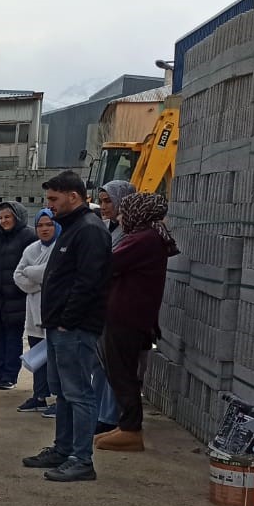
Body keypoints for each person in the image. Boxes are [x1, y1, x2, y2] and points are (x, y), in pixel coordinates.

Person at [23, 170, 111, 483]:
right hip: (60, 327)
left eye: (53, 199)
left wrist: (67, 321)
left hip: (73, 329)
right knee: (62, 392)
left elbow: (89, 283)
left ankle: (81, 459)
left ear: (73, 196)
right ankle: (63, 449)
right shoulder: (72, 229)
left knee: (79, 394)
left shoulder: (89, 230)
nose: (50, 206)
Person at [97, 193, 177, 453]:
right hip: (131, 315)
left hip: (126, 316)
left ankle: (131, 430)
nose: (121, 216)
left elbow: (108, 264)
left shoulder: (143, 239)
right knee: (121, 373)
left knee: (122, 374)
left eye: (125, 210)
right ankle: (126, 425)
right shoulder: (151, 236)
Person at [93, 179, 138, 433]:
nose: (103, 206)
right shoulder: (108, 229)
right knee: (98, 364)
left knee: (113, 365)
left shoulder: (128, 234)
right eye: (101, 201)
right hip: (102, 304)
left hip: (119, 307)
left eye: (108, 200)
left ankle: (110, 416)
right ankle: (100, 411)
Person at [0, 201, 37, 391]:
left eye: (8, 217)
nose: (4, 221)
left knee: (13, 337)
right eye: (1, 218)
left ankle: (9, 376)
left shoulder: (28, 236)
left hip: (17, 297)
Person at [13, 208, 59, 415]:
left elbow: (55, 273)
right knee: (37, 356)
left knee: (57, 359)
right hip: (34, 311)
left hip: (56, 312)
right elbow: (18, 276)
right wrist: (41, 282)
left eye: (49, 224)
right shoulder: (31, 249)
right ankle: (39, 395)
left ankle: (59, 399)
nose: (44, 229)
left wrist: (35, 274)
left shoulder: (62, 247)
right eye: (40, 225)